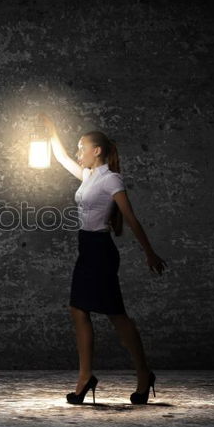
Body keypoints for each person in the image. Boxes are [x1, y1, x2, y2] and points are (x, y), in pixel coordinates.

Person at [39, 113, 168, 405]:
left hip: (101, 251)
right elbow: (60, 157)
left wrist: (149, 252)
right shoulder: (88, 176)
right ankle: (85, 377)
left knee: (116, 316)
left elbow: (130, 217)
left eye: (81, 147)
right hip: (86, 248)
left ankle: (144, 375)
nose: (78, 153)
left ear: (96, 150)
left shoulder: (111, 179)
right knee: (78, 309)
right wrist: (50, 129)